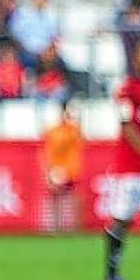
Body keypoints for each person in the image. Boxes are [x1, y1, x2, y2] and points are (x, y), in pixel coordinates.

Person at [103, 37, 140, 280]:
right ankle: (111, 278)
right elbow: (126, 124)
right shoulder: (127, 89)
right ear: (136, 59)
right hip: (131, 170)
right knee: (122, 221)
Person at [42, 100, 83, 234]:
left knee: (74, 196)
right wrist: (48, 170)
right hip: (57, 168)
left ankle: (75, 228)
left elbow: (80, 139)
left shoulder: (73, 129)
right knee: (56, 197)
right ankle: (56, 227)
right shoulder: (53, 131)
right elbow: (48, 151)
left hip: (71, 168)